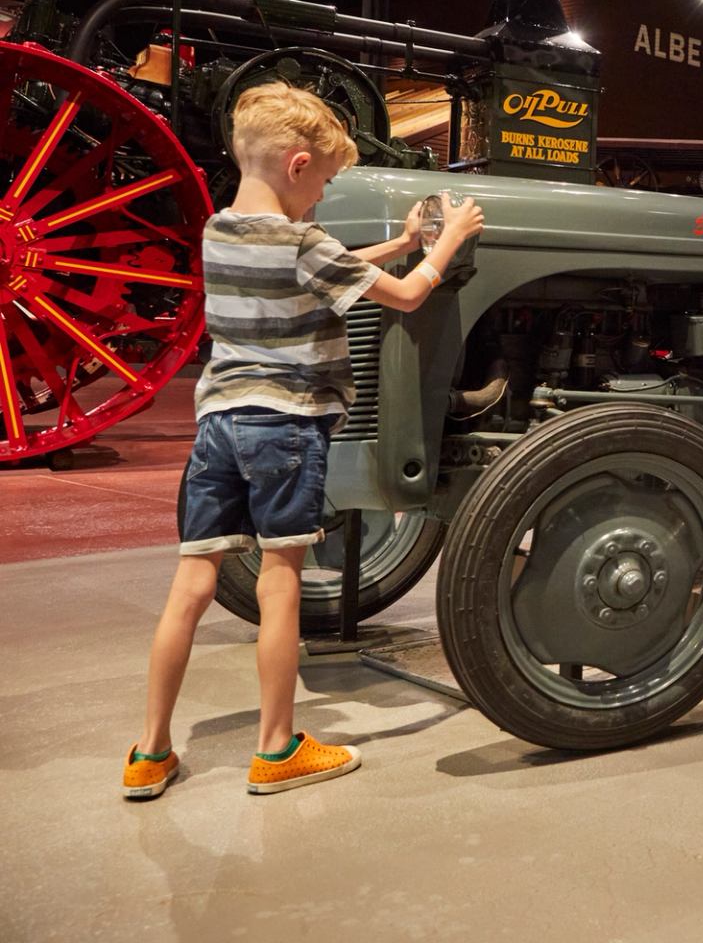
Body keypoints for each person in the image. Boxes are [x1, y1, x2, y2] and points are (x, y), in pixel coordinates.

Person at [123, 82, 484, 800]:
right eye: (320, 182)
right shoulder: (304, 242)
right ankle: (277, 748)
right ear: (294, 166)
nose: (320, 198)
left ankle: (149, 752)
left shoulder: (219, 230)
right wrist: (445, 243)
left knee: (191, 585)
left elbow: (318, 266)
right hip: (284, 426)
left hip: (219, 426)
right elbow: (406, 295)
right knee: (281, 580)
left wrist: (402, 241)